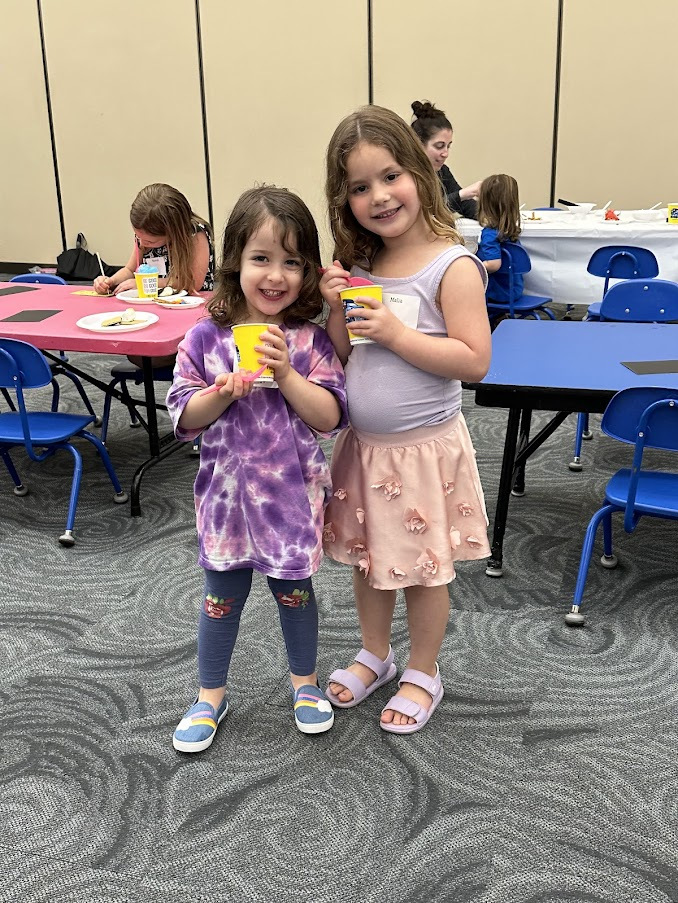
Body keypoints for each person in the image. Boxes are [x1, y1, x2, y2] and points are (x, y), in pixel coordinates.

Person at [319, 105, 492, 735]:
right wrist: (335, 308)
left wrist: (395, 332)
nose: (379, 196)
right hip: (365, 447)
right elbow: (342, 355)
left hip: (424, 452)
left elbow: (474, 361)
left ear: (419, 171)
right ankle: (376, 654)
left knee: (423, 570)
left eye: (390, 176)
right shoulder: (362, 264)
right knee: (369, 561)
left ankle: (424, 670)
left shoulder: (452, 266)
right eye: (359, 187)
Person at [166, 186, 348, 752]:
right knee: (220, 600)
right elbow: (183, 415)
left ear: (308, 270)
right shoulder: (205, 338)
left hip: (290, 502)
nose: (275, 275)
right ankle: (210, 696)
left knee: (295, 595)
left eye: (291, 262)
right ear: (234, 263)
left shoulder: (309, 341)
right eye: (261, 258)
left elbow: (330, 416)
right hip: (225, 502)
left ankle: (305, 684)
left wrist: (287, 373)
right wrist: (220, 393)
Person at [94, 183, 215, 368]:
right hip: (152, 315)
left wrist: (144, 283)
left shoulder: (195, 234)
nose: (143, 243)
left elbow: (193, 282)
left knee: (157, 355)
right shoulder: (144, 237)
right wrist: (110, 281)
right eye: (138, 237)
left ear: (172, 232)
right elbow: (130, 269)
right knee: (138, 353)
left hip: (189, 319)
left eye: (150, 241)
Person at [410, 100, 481, 219]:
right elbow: (425, 212)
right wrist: (462, 194)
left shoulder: (442, 171)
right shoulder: (406, 175)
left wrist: (493, 216)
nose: (446, 154)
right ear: (419, 144)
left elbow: (464, 205)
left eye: (448, 146)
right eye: (439, 146)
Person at [475, 173, 523, 304]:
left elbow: (493, 264)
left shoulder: (490, 234)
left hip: (497, 292)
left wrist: (473, 266)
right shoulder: (510, 229)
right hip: (514, 289)